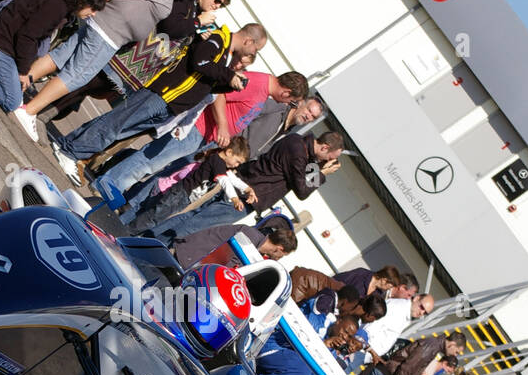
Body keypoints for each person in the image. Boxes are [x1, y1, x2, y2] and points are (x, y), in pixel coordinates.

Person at [16, 0, 222, 134]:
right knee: (77, 75)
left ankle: (16, 91)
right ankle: (29, 110)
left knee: (61, 57)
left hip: (107, 23)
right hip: (110, 31)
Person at [50, 23, 266, 182]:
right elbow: (200, 61)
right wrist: (228, 76)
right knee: (116, 125)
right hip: (162, 94)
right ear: (249, 41)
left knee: (120, 129)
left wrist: (229, 84)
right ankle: (72, 152)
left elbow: (206, 84)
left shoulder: (225, 55)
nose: (253, 54)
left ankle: (69, 145)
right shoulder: (218, 39)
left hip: (172, 104)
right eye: (256, 49)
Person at [100, 71, 309, 211]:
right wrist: (224, 126)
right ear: (287, 92)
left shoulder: (264, 92)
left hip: (205, 138)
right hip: (198, 128)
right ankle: (107, 189)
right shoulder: (257, 83)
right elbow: (219, 92)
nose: (288, 104)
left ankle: (120, 198)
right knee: (150, 161)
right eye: (291, 101)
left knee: (163, 170)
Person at [143, 130, 345, 242]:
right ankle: (154, 245)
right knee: (199, 225)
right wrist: (322, 174)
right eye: (329, 157)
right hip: (248, 196)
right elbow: (302, 189)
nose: (326, 161)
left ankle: (149, 237)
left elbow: (301, 176)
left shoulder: (296, 140)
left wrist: (316, 168)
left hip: (241, 182)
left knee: (192, 215)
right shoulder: (299, 154)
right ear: (325, 147)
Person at [0, 0, 106, 113]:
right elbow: (27, 37)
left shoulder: (58, 4)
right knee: (11, 102)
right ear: (82, 1)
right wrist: (23, 71)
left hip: (1, 43)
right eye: (93, 8)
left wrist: (23, 70)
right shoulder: (55, 7)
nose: (93, 14)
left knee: (16, 89)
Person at [170, 218, 297, 268]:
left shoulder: (252, 239)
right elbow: (222, 266)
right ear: (279, 248)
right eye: (283, 255)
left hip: (189, 258)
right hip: (185, 259)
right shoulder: (248, 238)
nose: (280, 258)